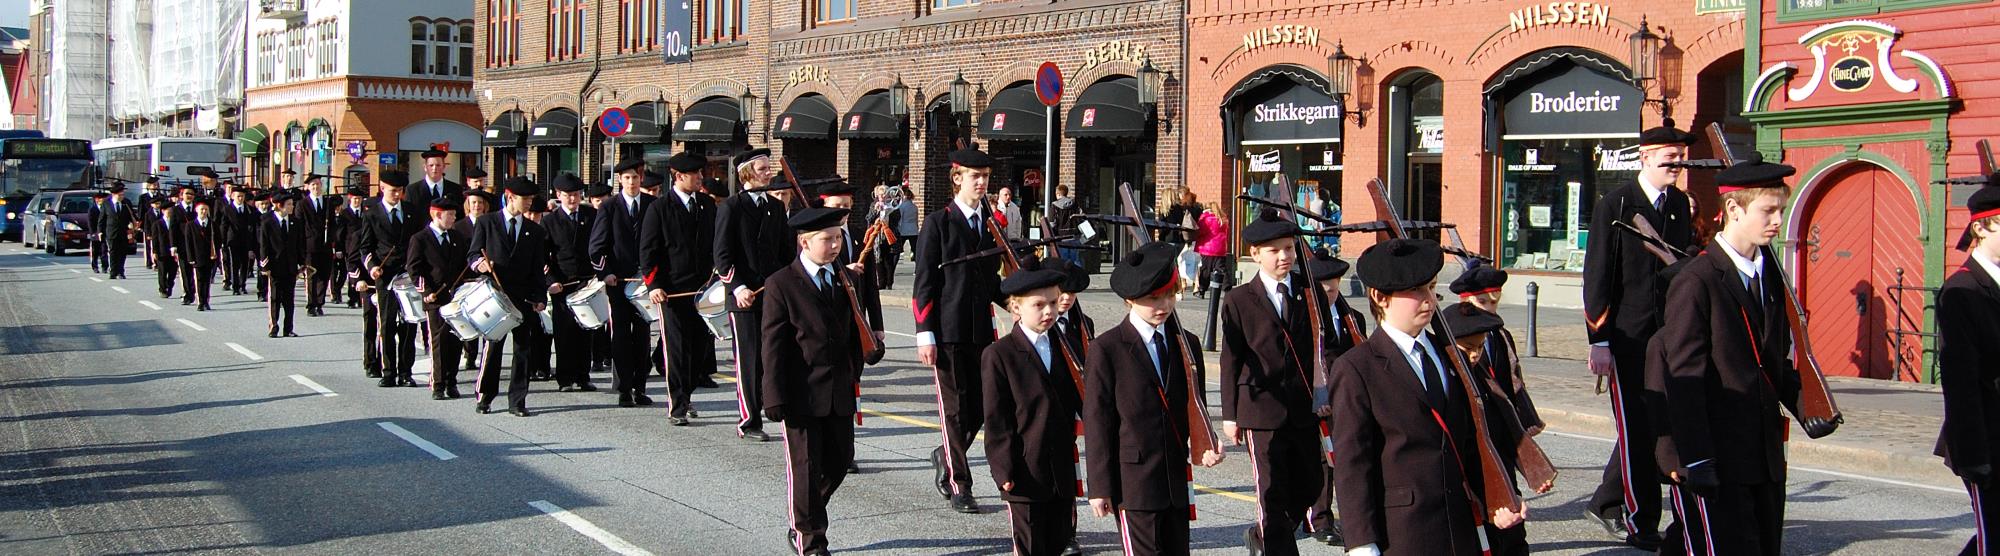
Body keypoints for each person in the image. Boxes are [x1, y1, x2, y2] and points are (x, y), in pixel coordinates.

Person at [1657, 154, 1834, 555]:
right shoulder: (1696, 280)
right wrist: (1696, 456)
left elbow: (1772, 361)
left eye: (1781, 211)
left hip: (1764, 456)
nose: (1777, 220)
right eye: (1768, 210)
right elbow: (1683, 377)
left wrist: (1808, 406)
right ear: (1733, 209)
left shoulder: (1770, 275)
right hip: (1717, 451)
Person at [1328, 237, 1526, 556]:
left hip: (1461, 525)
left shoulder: (1450, 354)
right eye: (1416, 291)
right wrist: (1362, 543)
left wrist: (1497, 497)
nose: (1429, 300)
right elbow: (1354, 463)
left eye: (1432, 287)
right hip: (1405, 531)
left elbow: (1473, 439)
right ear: (1381, 297)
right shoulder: (1357, 368)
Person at [1581, 122, 1700, 550]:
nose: (1676, 164)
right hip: (1627, 338)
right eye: (1669, 157)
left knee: (1661, 425)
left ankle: (1611, 501)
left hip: (1669, 337)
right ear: (1645, 157)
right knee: (1636, 429)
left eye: (1680, 158)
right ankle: (1640, 521)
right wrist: (1599, 340)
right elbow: (1597, 274)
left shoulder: (1680, 206)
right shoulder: (1615, 204)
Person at [1082, 241, 1222, 555]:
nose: (1164, 305)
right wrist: (1100, 487)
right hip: (1132, 483)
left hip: (1174, 478)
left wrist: (1206, 444)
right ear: (1130, 300)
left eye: (1170, 295)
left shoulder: (1187, 343)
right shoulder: (1107, 349)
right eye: (1153, 299)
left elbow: (1193, 404)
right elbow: (1098, 422)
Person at [761, 207, 880, 556]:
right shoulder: (781, 283)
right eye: (826, 239)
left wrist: (865, 354)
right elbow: (773, 345)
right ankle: (811, 539)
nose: (834, 245)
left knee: (841, 459)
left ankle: (805, 514)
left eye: (838, 238)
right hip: (801, 392)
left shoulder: (845, 277)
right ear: (804, 242)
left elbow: (852, 328)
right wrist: (773, 394)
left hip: (839, 389)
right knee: (806, 468)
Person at [1218, 212, 1322, 556]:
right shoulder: (1238, 298)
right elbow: (1230, 358)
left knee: (1310, 484)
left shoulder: (1309, 292)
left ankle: (1263, 534)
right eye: (1274, 250)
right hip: (1260, 409)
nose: (1284, 257)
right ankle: (1276, 544)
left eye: (1289, 248)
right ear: (1255, 253)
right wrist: (1230, 415)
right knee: (1271, 489)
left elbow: (1324, 347)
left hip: (1303, 405)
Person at [913, 146, 1007, 514]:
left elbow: (992, 281)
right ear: (957, 178)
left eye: (985, 176)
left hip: (981, 331)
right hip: (947, 331)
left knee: (984, 408)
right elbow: (924, 281)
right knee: (953, 410)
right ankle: (960, 484)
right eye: (974, 176)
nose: (981, 182)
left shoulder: (991, 224)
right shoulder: (939, 222)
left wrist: (1019, 301)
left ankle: (944, 453)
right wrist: (924, 332)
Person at [981, 264, 1081, 556]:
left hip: (1060, 468)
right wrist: (1003, 469)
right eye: (1039, 305)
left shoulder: (1068, 346)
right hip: (1025, 470)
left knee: (1059, 540)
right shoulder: (1000, 354)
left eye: (1053, 302)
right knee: (1030, 546)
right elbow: (997, 419)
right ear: (1016, 307)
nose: (1049, 311)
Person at [713, 148, 796, 438]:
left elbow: (785, 253)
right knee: (749, 360)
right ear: (747, 173)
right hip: (744, 296)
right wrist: (737, 286)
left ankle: (774, 407)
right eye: (762, 169)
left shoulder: (775, 207)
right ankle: (749, 421)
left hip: (771, 293)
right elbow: (722, 254)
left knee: (772, 356)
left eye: (767, 168)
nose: (768, 173)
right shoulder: (731, 207)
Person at [1938, 184, 2000, 556]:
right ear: (1982, 228)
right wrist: (1976, 456)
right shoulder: (1962, 290)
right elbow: (1960, 385)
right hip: (1987, 442)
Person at [640, 154, 718, 426]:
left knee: (699, 350)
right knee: (677, 349)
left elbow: (715, 245)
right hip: (671, 292)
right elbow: (648, 250)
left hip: (702, 290)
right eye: (695, 174)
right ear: (679, 177)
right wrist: (653, 284)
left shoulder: (708, 205)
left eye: (700, 173)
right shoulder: (660, 208)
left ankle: (688, 393)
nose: (700, 178)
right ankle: (677, 404)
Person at [468, 177, 551, 417]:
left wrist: (540, 297)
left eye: (531, 200)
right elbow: (473, 253)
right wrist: (479, 263)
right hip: (496, 295)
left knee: (523, 350)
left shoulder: (534, 231)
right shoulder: (487, 222)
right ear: (510, 196)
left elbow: (538, 267)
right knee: (493, 347)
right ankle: (485, 395)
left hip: (523, 297)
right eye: (525, 199)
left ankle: (517, 400)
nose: (528, 204)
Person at [1303, 248, 1362, 546]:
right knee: (1322, 461)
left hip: (1348, 398)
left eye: (1334, 284)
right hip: (1317, 398)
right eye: (1323, 286)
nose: (1329, 291)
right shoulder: (1305, 316)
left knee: (1349, 458)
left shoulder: (1354, 318)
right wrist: (1319, 395)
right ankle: (1320, 519)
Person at [589, 157, 656, 408]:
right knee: (620, 336)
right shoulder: (609, 207)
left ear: (641, 179)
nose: (631, 182)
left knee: (642, 336)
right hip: (618, 282)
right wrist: (605, 272)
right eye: (626, 178)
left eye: (635, 178)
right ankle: (624, 388)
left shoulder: (652, 204)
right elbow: (597, 247)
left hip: (644, 282)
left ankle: (641, 387)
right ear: (619, 180)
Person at [1450, 264, 1543, 438]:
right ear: (1465, 301)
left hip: (1501, 416)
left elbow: (1513, 375)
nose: (1489, 308)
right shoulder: (1456, 333)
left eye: (1493, 302)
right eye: (1482, 301)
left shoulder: (1501, 335)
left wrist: (1521, 413)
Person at [358, 172, 425, 388]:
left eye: (400, 191)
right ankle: (388, 371)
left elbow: (418, 242)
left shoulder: (412, 213)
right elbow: (365, 247)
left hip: (407, 275)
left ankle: (406, 371)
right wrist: (372, 267)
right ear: (382, 188)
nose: (397, 195)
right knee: (386, 323)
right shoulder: (372, 214)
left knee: (409, 322)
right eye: (392, 190)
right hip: (385, 275)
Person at [408, 196, 469, 401]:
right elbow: (414, 270)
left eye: (454, 214)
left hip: (456, 297)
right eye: (450, 215)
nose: (453, 218)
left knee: (456, 339)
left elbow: (463, 266)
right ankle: (438, 383)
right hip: (435, 297)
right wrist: (426, 292)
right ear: (436, 214)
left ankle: (452, 381)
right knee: (439, 341)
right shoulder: (420, 238)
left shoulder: (457, 237)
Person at [543, 173, 600, 392]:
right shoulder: (550, 221)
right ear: (559, 196)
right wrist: (550, 281)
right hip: (562, 283)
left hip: (586, 282)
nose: (573, 200)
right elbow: (543, 256)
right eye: (568, 196)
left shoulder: (591, 215)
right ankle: (565, 377)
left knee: (586, 329)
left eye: (576, 195)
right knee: (564, 332)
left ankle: (582, 375)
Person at [341, 183, 382, 377]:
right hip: (367, 284)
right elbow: (352, 261)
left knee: (388, 325)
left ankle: (387, 361)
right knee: (371, 323)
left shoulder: (385, 235)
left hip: (384, 283)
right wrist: (357, 280)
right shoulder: (358, 235)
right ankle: (371, 360)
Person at [260, 192, 306, 338]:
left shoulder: (295, 222)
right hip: (275, 266)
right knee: (274, 298)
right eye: (289, 204)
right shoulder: (267, 222)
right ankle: (273, 326)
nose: (292, 207)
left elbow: (300, 245)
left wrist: (302, 265)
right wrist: (265, 266)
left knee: (289, 299)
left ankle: (289, 328)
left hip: (290, 266)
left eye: (292, 204)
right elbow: (264, 246)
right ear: (280, 206)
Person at [298, 174, 338, 317]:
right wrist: (300, 249)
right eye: (312, 185)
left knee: (324, 275)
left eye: (318, 184)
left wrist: (332, 238)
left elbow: (333, 224)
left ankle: (320, 303)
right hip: (310, 247)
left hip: (325, 246)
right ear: (308, 187)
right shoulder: (302, 204)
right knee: (311, 276)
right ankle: (311, 304)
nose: (316, 187)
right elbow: (299, 227)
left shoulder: (328, 203)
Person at [180, 200, 221, 311]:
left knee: (207, 280)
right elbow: (188, 243)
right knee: (199, 279)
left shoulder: (213, 225)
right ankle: (200, 301)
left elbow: (218, 241)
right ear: (197, 210)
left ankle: (206, 300)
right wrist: (190, 257)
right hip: (197, 257)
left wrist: (216, 254)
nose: (204, 211)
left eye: (206, 209)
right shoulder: (191, 225)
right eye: (201, 209)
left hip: (210, 257)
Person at [406, 148, 464, 223]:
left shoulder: (456, 189)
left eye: (438, 165)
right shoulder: (412, 190)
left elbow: (459, 217)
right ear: (425, 167)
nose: (434, 168)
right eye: (431, 165)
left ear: (444, 167)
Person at [149, 196, 183, 299]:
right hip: (162, 251)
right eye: (169, 210)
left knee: (172, 271)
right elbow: (154, 239)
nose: (170, 212)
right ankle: (162, 289)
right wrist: (154, 251)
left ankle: (169, 286)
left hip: (173, 251)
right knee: (163, 272)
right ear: (163, 211)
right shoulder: (157, 224)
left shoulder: (175, 222)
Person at [1193, 202, 1228, 298]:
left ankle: (1201, 290)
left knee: (1206, 270)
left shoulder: (1205, 218)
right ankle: (1227, 287)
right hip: (1220, 249)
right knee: (1221, 269)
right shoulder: (1222, 218)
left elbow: (1200, 231)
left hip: (1207, 249)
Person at [100, 181, 135, 279]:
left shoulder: (126, 203)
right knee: (113, 252)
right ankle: (113, 271)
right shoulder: (106, 204)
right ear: (114, 195)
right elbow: (101, 219)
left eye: (123, 195)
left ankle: (121, 271)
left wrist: (131, 224)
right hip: (111, 232)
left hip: (123, 232)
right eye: (120, 195)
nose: (122, 196)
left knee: (122, 252)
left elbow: (131, 216)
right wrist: (100, 231)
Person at [1048, 185, 1082, 267]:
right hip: (1074, 235)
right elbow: (1081, 217)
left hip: (1061, 237)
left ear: (1058, 194)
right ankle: (1078, 277)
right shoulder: (1075, 204)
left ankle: (1066, 278)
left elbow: (1052, 223)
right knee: (1075, 260)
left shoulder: (1054, 206)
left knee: (1063, 261)